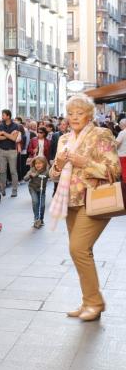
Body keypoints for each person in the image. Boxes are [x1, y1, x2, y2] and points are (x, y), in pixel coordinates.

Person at [49, 95, 121, 322]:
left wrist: (85, 163)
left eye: (79, 113)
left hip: (94, 201)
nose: (74, 117)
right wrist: (58, 165)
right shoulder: (63, 140)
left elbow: (114, 170)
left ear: (89, 114)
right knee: (82, 252)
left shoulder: (101, 134)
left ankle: (95, 302)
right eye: (70, 113)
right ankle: (89, 301)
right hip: (69, 202)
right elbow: (53, 174)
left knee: (78, 249)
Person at [0, 109, 21, 197]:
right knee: (2, 171)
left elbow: (14, 139)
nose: (2, 117)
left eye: (3, 115)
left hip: (12, 151)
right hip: (1, 150)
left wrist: (4, 133)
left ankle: (14, 190)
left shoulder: (16, 126)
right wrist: (9, 135)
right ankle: (2, 189)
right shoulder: (0, 125)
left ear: (8, 116)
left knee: (13, 171)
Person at [24, 155, 49, 229]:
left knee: (42, 205)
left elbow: (52, 176)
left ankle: (41, 219)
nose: (38, 165)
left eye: (40, 163)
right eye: (36, 163)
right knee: (35, 201)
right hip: (33, 188)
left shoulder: (46, 171)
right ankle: (36, 218)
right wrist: (30, 176)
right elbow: (25, 178)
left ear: (44, 164)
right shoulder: (32, 170)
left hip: (42, 190)